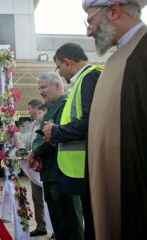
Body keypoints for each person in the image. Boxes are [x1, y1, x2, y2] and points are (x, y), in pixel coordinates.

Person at [82, 0, 147, 238]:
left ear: (113, 10)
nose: (88, 31)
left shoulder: (146, 50)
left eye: (90, 20)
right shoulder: (118, 57)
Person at [43, 42, 102, 239]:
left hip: (87, 168)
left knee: (92, 225)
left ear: (67, 62)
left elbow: (90, 122)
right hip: (80, 168)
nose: (59, 72)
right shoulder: (81, 82)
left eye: (58, 67)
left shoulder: (89, 78)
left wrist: (57, 132)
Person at [28, 72, 83, 240]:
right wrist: (35, 154)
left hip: (64, 175)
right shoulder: (51, 109)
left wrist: (35, 153)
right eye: (39, 88)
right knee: (59, 224)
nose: (40, 92)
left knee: (70, 225)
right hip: (50, 174)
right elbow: (40, 136)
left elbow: (53, 137)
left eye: (44, 87)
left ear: (57, 86)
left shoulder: (66, 105)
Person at [24, 99, 48, 238]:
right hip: (34, 167)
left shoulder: (45, 122)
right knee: (36, 198)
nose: (28, 112)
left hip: (45, 166)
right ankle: (41, 226)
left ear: (36, 108)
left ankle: (54, 229)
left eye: (29, 108)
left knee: (49, 198)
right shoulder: (33, 125)